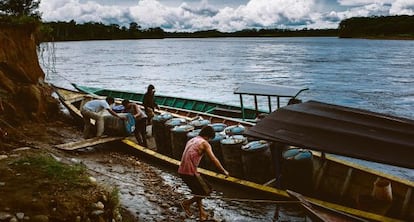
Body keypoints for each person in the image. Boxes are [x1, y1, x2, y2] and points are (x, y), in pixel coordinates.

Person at [178, 125, 229, 221]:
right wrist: (223, 171)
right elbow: (213, 158)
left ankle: (202, 214)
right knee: (206, 191)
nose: (209, 141)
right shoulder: (204, 143)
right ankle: (186, 203)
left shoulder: (192, 140)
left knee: (199, 191)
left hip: (182, 170)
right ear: (208, 136)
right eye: (210, 139)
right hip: (190, 172)